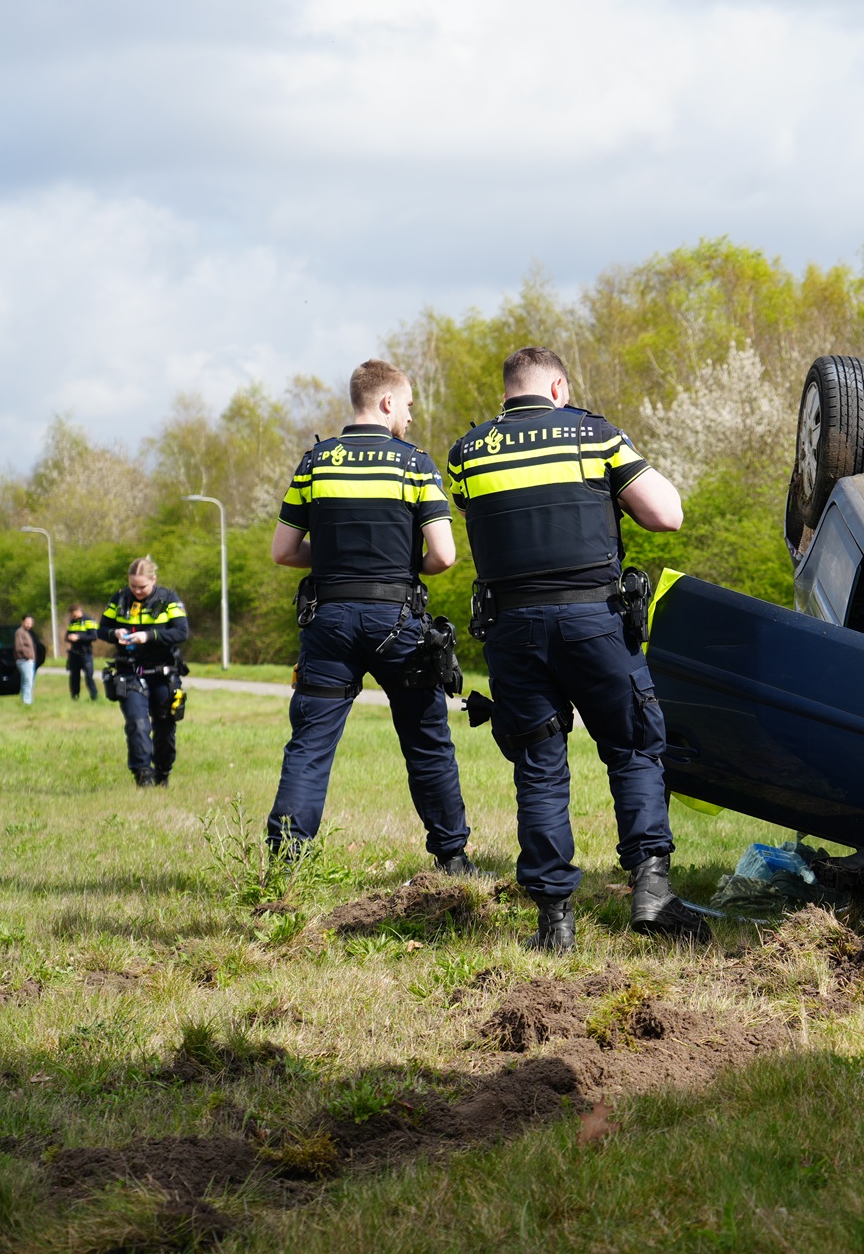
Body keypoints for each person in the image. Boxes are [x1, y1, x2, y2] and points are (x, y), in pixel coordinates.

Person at [447, 346, 699, 953]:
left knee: (538, 766)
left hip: (513, 631)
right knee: (634, 747)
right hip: (595, 622)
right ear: (558, 387)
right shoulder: (596, 436)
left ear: (507, 393)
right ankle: (651, 890)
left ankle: (554, 922)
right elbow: (667, 515)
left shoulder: (467, 454)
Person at [265, 359, 477, 873]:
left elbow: (284, 551)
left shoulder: (315, 462)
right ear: (387, 403)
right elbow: (444, 556)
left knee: (310, 745)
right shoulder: (414, 464)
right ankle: (452, 858)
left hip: (329, 621)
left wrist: (339, 562)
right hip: (397, 623)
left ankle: (285, 866)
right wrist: (400, 565)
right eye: (407, 406)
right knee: (427, 741)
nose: (410, 416)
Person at [98, 557, 189, 787]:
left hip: (162, 673)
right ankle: (142, 775)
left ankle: (162, 773)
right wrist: (115, 633)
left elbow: (181, 632)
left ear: (153, 580)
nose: (137, 591)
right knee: (137, 724)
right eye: (133, 586)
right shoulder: (119, 598)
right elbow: (102, 630)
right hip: (128, 672)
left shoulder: (169, 599)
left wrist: (148, 636)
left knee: (165, 727)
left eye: (142, 586)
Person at [64, 604, 99, 701]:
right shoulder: (72, 622)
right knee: (74, 676)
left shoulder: (89, 620)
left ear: (79, 611)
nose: (73, 617)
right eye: (72, 615)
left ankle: (94, 696)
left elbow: (94, 636)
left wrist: (79, 637)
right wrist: (69, 638)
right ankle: (75, 696)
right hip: (74, 653)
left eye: (74, 615)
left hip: (85, 653)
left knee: (88, 675)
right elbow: (66, 636)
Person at [12, 615, 38, 706]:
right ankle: (27, 702)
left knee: (25, 682)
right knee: (28, 682)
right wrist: (29, 656)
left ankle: (24, 700)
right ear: (22, 622)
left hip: (27, 661)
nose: (29, 625)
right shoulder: (20, 632)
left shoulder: (27, 632)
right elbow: (19, 647)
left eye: (31, 623)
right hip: (24, 661)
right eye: (27, 623)